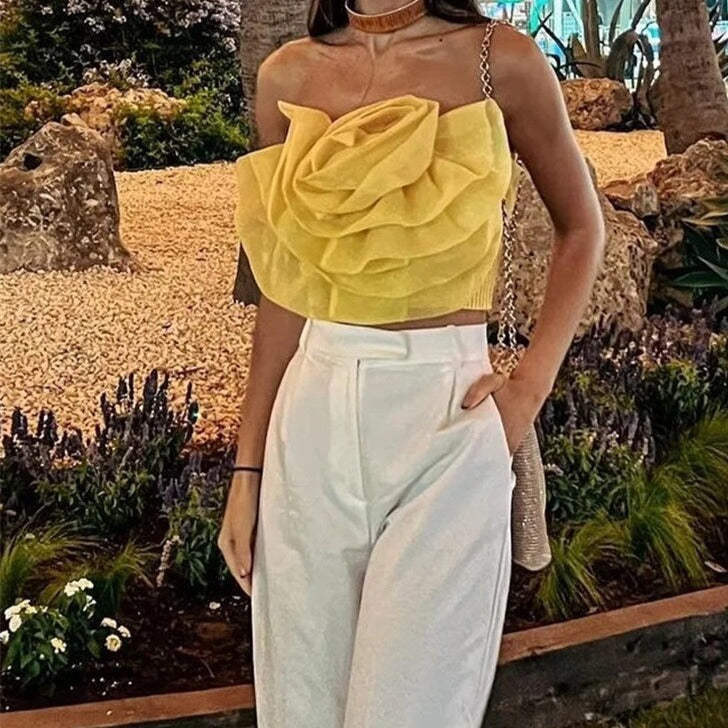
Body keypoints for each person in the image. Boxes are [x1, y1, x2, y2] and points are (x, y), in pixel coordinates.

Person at [218, 1, 605, 726]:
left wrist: (528, 389)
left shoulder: (501, 61)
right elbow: (286, 290)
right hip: (311, 419)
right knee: (301, 706)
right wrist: (248, 470)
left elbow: (582, 225)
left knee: (414, 709)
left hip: (447, 421)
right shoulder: (286, 77)